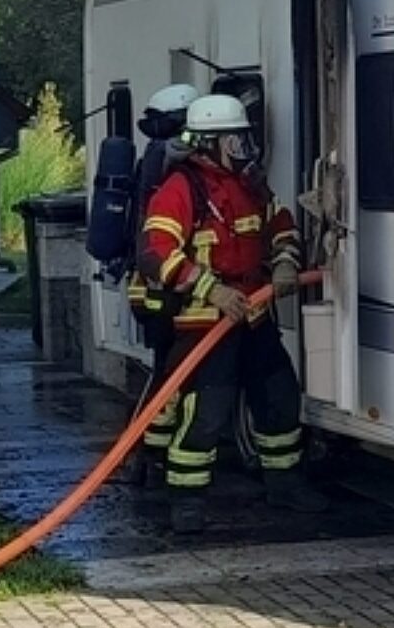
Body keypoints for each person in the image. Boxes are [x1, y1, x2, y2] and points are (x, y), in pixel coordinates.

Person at [138, 93, 327, 533]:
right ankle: (186, 500)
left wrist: (285, 261)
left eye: (245, 140)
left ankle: (285, 483)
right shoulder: (181, 188)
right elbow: (155, 252)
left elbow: (281, 226)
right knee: (207, 412)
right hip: (205, 321)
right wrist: (211, 289)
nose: (244, 150)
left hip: (254, 315)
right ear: (208, 144)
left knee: (279, 398)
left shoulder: (250, 185)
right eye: (234, 142)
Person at [124, 84, 200, 487]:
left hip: (153, 290)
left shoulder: (152, 155)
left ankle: (148, 454)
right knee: (166, 376)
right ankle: (145, 453)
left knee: (166, 373)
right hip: (161, 292)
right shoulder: (169, 154)